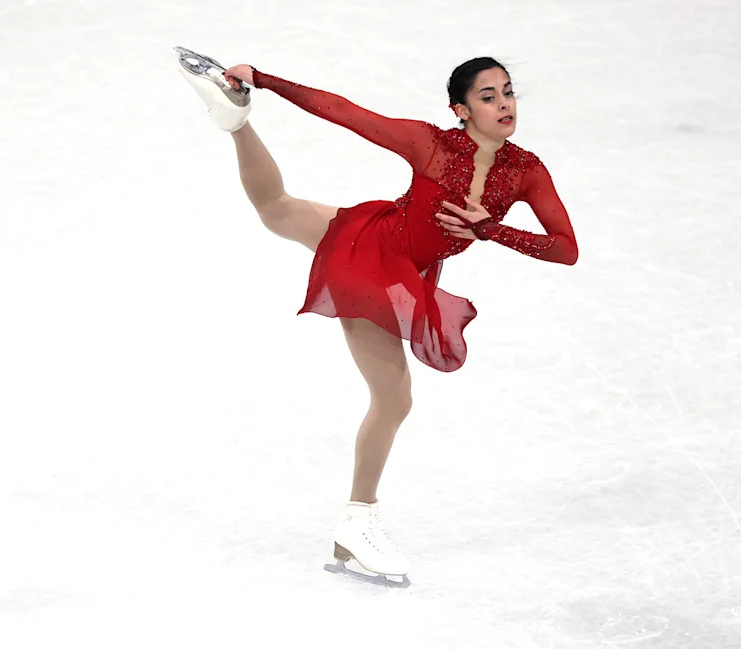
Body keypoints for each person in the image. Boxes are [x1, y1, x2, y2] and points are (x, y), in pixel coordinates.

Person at [175, 47, 578, 587]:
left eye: (508, 93)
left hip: (397, 257)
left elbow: (565, 249)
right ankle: (359, 520)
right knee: (393, 399)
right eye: (488, 97)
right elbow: (345, 112)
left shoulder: (526, 171)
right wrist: (265, 78)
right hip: (375, 261)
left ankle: (235, 121)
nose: (504, 104)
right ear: (461, 110)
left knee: (278, 210)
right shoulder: (430, 144)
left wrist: (491, 229)